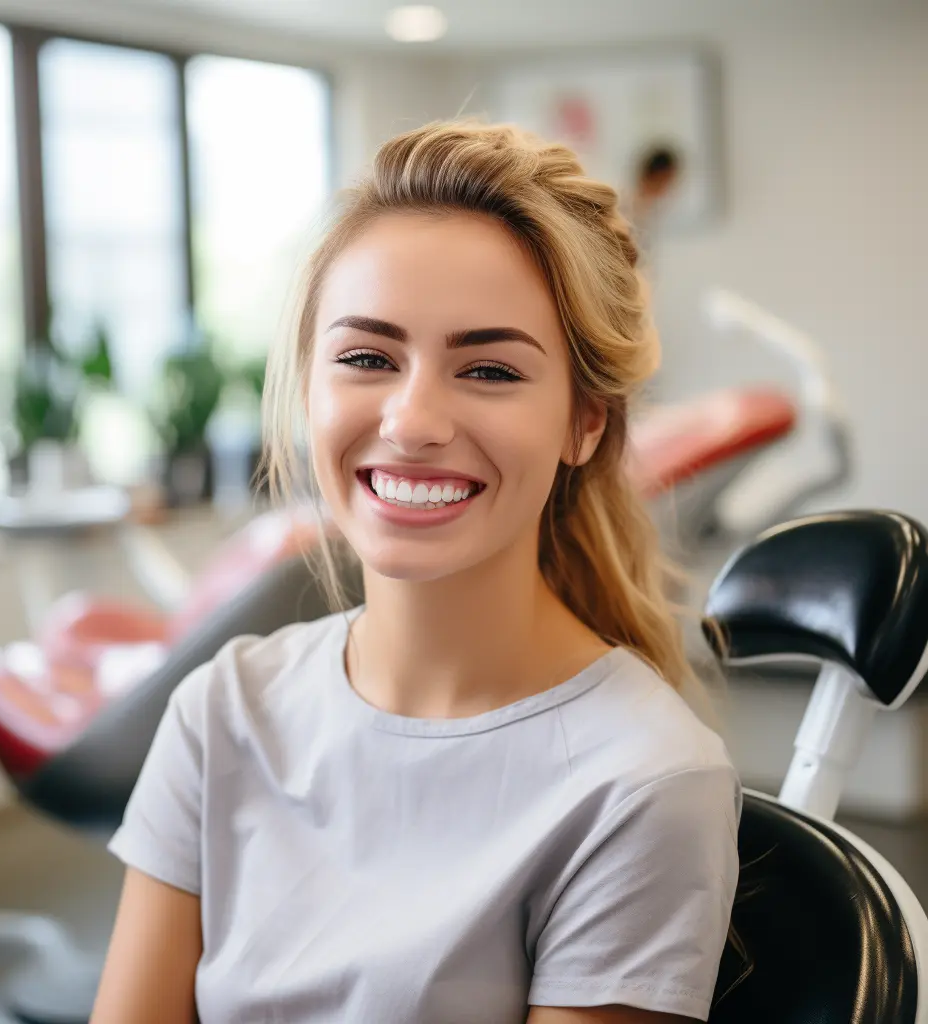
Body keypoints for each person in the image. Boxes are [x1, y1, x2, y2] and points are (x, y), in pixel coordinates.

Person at [91, 120, 741, 1024]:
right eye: (366, 358)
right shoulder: (222, 713)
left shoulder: (642, 783)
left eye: (487, 368)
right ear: (310, 385)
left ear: (584, 422)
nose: (413, 420)